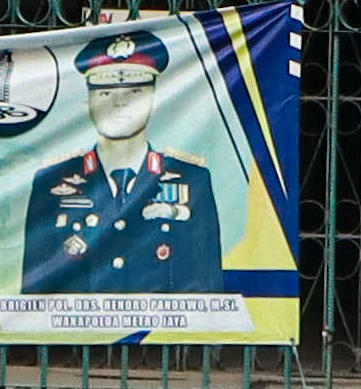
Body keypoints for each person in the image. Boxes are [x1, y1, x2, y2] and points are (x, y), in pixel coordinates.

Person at [20, 24, 228, 300]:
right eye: (106, 93)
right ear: (88, 104)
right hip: (77, 339)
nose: (120, 104)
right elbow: (36, 289)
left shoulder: (191, 178)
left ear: (155, 101)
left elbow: (207, 284)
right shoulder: (52, 182)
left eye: (133, 93)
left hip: (160, 339)